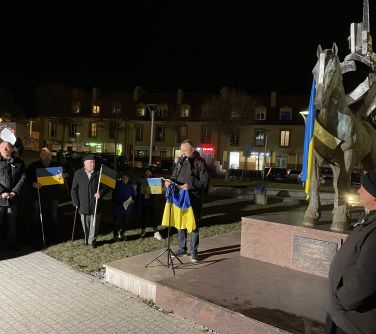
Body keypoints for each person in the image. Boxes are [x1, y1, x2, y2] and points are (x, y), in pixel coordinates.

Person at [325, 170, 376, 334]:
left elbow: (366, 280)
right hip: (343, 316)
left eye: (363, 187)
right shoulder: (370, 220)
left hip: (352, 323)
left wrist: (339, 301)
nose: (359, 190)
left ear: (374, 195)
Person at [164, 139, 209, 262]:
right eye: (182, 150)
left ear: (192, 149)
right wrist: (170, 182)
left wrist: (190, 185)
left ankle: (194, 252)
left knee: (193, 226)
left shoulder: (200, 162)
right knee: (180, 224)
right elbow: (175, 176)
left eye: (185, 150)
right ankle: (182, 249)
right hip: (180, 198)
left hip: (193, 199)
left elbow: (205, 183)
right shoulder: (181, 160)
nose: (183, 153)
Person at [26, 147, 63, 246]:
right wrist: (33, 183)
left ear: (51, 156)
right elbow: (26, 179)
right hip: (37, 196)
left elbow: (66, 176)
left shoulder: (56, 166)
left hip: (52, 197)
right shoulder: (33, 166)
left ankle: (53, 237)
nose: (46, 157)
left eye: (48, 155)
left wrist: (64, 176)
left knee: (53, 217)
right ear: (40, 155)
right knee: (36, 217)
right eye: (44, 155)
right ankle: (36, 237)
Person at [71, 155, 107, 248]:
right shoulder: (78, 173)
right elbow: (74, 190)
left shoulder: (98, 173)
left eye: (94, 162)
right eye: (91, 162)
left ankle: (92, 242)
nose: (93, 164)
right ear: (85, 163)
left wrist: (100, 193)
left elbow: (105, 187)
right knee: (85, 224)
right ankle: (86, 240)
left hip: (95, 204)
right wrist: (75, 202)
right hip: (83, 204)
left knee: (94, 225)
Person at [0, 141, 26, 250]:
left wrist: (14, 192)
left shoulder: (19, 162)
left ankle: (11, 243)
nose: (5, 150)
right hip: (0, 198)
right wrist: (2, 192)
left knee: (12, 222)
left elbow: (23, 178)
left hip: (13, 198)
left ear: (12, 149)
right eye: (2, 148)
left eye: (7, 147)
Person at [138, 168, 163, 240]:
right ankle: (143, 230)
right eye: (146, 172)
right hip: (144, 201)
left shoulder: (154, 181)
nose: (147, 173)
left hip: (151, 202)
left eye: (149, 171)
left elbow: (157, 192)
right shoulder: (141, 181)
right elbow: (139, 191)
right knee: (144, 217)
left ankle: (156, 232)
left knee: (153, 217)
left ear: (151, 173)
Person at [112, 172, 135, 241]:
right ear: (121, 178)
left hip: (127, 207)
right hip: (119, 206)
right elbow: (114, 195)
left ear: (128, 179)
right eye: (123, 178)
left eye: (126, 178)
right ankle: (115, 234)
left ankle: (122, 233)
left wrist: (133, 200)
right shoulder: (117, 185)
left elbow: (133, 195)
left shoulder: (130, 186)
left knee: (125, 222)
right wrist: (117, 203)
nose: (125, 179)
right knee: (117, 221)